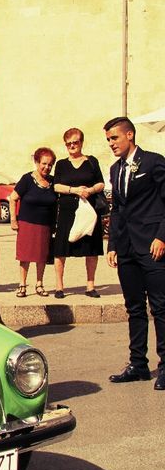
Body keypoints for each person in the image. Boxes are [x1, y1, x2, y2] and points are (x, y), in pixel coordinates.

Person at [104, 116, 165, 390]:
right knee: (134, 308)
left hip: (152, 245)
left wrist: (162, 236)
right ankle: (138, 364)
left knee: (161, 307)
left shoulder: (153, 162)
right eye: (108, 140)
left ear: (129, 135)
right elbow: (117, 209)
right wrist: (113, 245)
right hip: (126, 248)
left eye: (114, 138)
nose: (111, 144)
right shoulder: (115, 169)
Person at [53, 128, 105, 298]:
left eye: (75, 142)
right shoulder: (61, 164)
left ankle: (90, 286)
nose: (72, 146)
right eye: (69, 143)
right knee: (61, 249)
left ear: (81, 142)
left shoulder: (91, 161)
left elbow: (101, 184)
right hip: (68, 211)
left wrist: (89, 190)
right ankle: (59, 286)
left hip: (88, 211)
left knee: (91, 248)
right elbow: (56, 186)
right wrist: (74, 190)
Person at [9, 148, 57, 298]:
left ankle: (39, 284)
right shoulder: (27, 179)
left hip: (45, 225)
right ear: (36, 162)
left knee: (42, 256)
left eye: (50, 165)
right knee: (25, 256)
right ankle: (22, 285)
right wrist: (13, 219)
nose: (46, 167)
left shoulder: (53, 181)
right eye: (44, 163)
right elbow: (13, 198)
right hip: (27, 223)